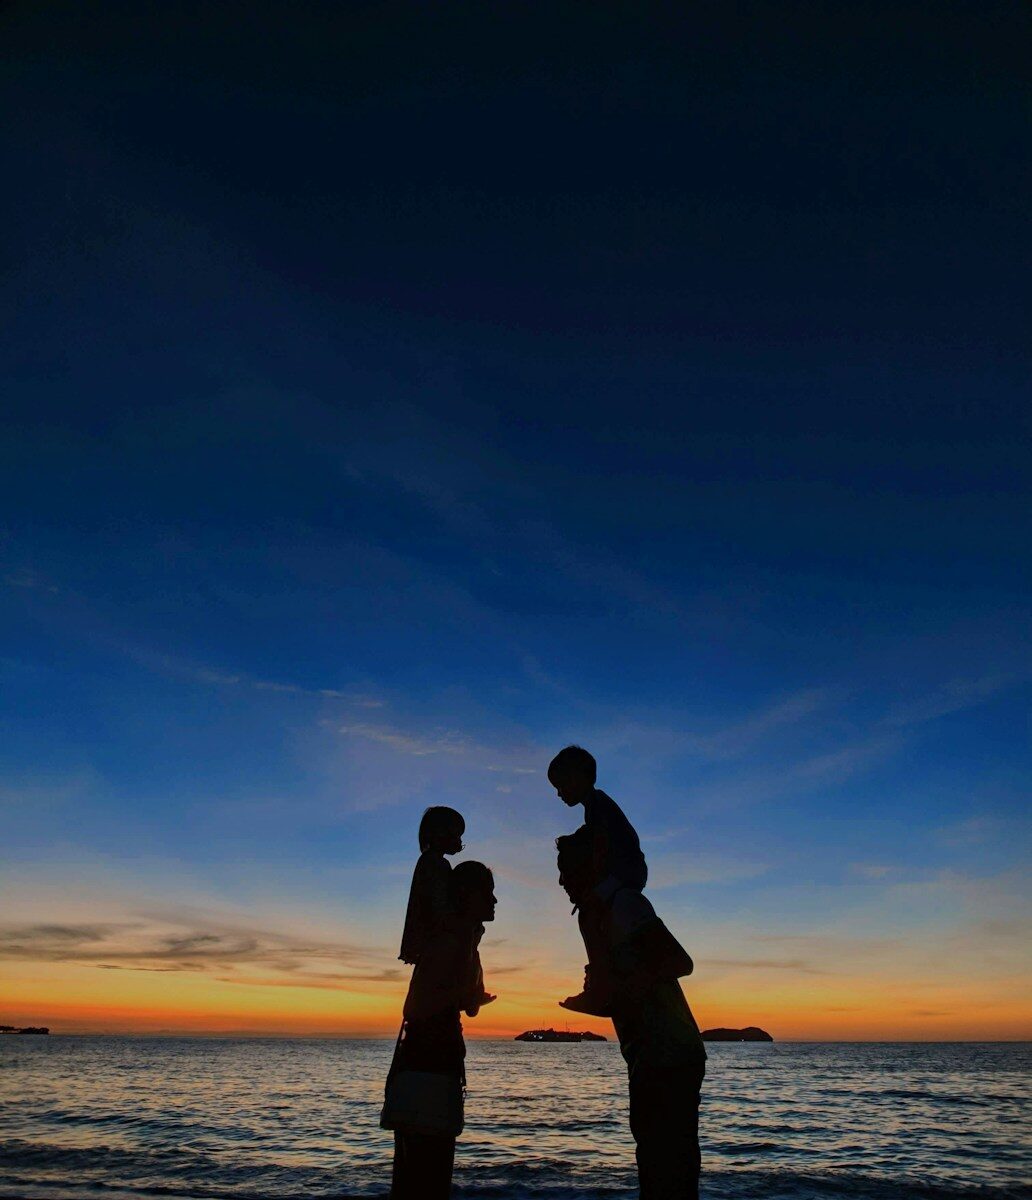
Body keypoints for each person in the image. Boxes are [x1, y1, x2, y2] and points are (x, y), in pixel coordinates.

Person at [557, 827, 706, 1200]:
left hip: (671, 1051)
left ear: (593, 865)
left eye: (567, 870)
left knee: (668, 1164)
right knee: (655, 1160)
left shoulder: (624, 905)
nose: (561, 881)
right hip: (644, 1052)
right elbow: (618, 994)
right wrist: (593, 1000)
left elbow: (679, 962)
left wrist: (615, 984)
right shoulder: (593, 916)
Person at [385, 860, 497, 1200]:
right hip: (428, 1065)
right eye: (487, 893)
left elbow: (467, 1002)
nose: (494, 901)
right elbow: (416, 1007)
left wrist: (470, 998)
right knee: (428, 1176)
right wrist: (463, 996)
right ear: (466, 896)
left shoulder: (466, 940)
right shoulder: (450, 939)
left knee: (420, 1176)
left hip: (434, 1065)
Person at [548, 746, 647, 1014]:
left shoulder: (598, 805)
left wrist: (597, 884)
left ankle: (601, 984)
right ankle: (603, 977)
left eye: (561, 785)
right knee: (592, 914)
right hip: (624, 871)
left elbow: (604, 845)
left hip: (624, 872)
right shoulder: (595, 807)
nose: (559, 793)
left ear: (580, 777)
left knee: (589, 914)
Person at [399, 806, 465, 966]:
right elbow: (436, 906)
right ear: (441, 833)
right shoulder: (436, 863)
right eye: (457, 834)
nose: (459, 840)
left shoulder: (429, 861)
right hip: (435, 945)